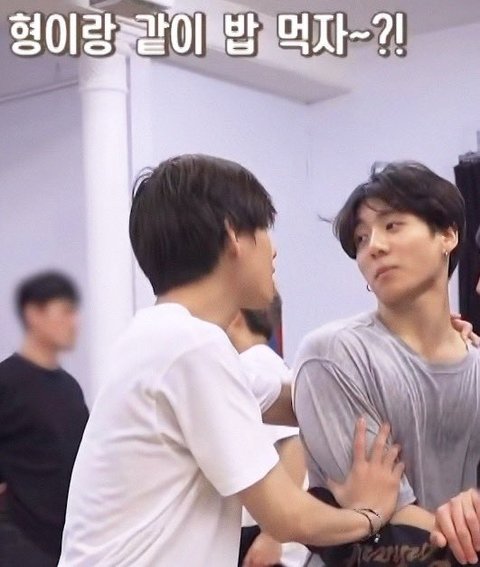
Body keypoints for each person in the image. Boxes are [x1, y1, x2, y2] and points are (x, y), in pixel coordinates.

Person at [59, 154, 404, 567]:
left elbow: (305, 398)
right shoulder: (190, 346)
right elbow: (286, 515)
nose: (273, 250)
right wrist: (371, 513)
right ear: (233, 235)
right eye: (264, 230)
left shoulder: (161, 340)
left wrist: (427, 342)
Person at [294, 161, 480, 566]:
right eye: (361, 239)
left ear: (448, 235)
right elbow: (386, 524)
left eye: (392, 226)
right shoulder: (335, 355)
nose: (373, 247)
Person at [0, 271, 89, 567]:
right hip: (20, 545)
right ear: (34, 314)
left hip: (68, 545)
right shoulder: (7, 382)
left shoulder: (70, 389)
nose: (74, 322)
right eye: (65, 311)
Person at [227, 295, 308, 567]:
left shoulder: (251, 367)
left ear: (235, 316)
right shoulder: (274, 365)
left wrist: (273, 536)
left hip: (267, 545)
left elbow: (295, 447)